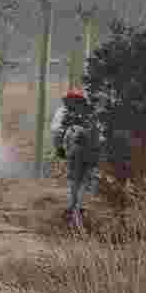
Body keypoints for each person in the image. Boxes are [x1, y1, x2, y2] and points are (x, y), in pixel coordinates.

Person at [52, 88, 102, 224]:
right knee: (85, 181)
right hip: (90, 151)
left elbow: (56, 132)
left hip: (75, 152)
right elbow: (100, 134)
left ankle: (73, 209)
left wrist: (60, 149)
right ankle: (77, 209)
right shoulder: (92, 112)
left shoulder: (64, 113)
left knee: (75, 181)